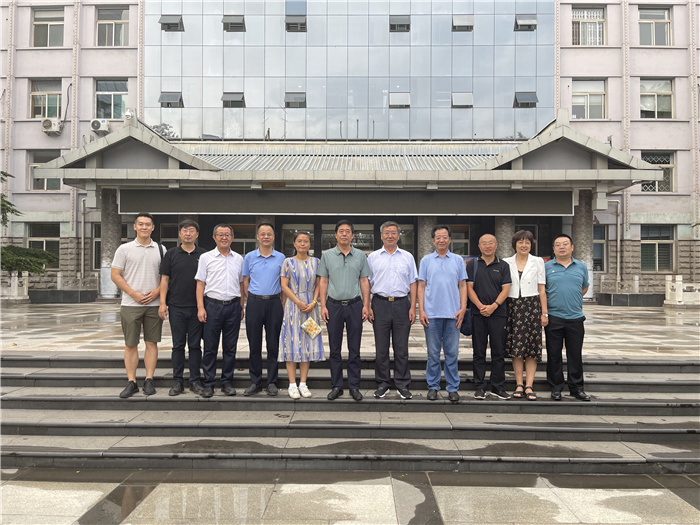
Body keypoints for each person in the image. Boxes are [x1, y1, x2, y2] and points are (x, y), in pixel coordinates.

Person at [111, 212, 165, 398]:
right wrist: (133, 293)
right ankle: (131, 381)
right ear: (135, 226)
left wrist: (157, 292)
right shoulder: (124, 249)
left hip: (154, 304)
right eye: (140, 224)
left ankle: (149, 379)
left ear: (153, 227)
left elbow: (166, 277)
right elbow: (115, 275)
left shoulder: (161, 249)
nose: (144, 227)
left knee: (152, 342)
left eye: (148, 224)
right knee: (130, 344)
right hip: (130, 304)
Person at [317, 219, 371, 402]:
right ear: (336, 235)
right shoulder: (327, 255)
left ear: (352, 235)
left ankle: (354, 386)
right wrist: (323, 305)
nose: (344, 234)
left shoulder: (360, 256)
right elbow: (323, 281)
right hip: (333, 306)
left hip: (355, 305)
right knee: (335, 348)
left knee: (354, 348)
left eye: (348, 231)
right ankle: (337, 386)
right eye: (341, 231)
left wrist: (366, 305)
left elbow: (364, 281)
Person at [367, 221, 418, 400]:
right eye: (387, 233)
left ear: (398, 235)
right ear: (381, 236)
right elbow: (366, 283)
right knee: (381, 348)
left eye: (393, 233)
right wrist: (367, 306)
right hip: (379, 304)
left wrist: (413, 307)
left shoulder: (407, 257)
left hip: (402, 304)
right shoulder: (373, 257)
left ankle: (402, 384)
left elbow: (413, 282)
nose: (390, 236)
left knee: (401, 348)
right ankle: (383, 383)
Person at [417, 225, 467, 402]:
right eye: (438, 237)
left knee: (452, 353)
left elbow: (463, 285)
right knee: (433, 354)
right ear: (433, 240)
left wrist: (463, 308)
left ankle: (453, 387)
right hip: (432, 313)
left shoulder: (458, 260)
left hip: (453, 314)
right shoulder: (426, 260)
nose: (441, 240)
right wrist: (421, 310)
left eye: (444, 237)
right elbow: (421, 286)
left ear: (449, 239)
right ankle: (433, 386)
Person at [195, 224, 245, 398]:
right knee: (210, 347)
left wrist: (241, 306)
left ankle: (226, 382)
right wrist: (200, 307)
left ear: (232, 237)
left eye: (227, 234)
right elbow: (200, 284)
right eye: (220, 234)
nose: (224, 237)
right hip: (212, 306)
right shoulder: (206, 258)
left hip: (233, 306)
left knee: (230, 347)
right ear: (214, 237)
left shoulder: (238, 259)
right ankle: (209, 383)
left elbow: (241, 284)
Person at [158, 219, 207, 396]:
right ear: (180, 234)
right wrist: (162, 303)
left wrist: (203, 307)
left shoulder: (204, 255)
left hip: (196, 308)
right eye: (185, 230)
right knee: (178, 345)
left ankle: (195, 380)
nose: (188, 233)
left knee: (195, 346)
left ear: (197, 234)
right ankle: (177, 381)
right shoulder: (171, 254)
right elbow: (164, 279)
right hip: (176, 306)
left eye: (191, 230)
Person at [503, 230, 548, 401]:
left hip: (532, 306)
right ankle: (519, 384)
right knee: (517, 347)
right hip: (512, 306)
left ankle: (529, 385)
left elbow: (542, 289)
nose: (524, 245)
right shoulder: (506, 262)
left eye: (527, 242)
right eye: (520, 242)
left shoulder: (538, 262)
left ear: (531, 245)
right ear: (514, 244)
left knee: (531, 347)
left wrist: (544, 313)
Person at [545, 233, 591, 401]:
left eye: (565, 244)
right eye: (558, 244)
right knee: (554, 354)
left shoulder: (581, 267)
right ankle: (556, 387)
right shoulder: (546, 267)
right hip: (553, 317)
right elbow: (542, 290)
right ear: (554, 249)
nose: (562, 247)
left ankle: (577, 388)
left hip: (575, 318)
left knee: (575, 355)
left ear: (572, 247)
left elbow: (584, 287)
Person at [279, 231, 325, 399]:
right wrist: (298, 302)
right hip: (293, 307)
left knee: (308, 344)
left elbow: (319, 284)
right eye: (299, 241)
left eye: (306, 241)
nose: (303, 244)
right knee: (291, 343)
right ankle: (292, 384)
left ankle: (303, 383)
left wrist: (313, 302)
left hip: (311, 308)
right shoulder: (288, 262)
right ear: (294, 243)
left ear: (309, 244)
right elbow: (284, 285)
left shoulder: (316, 262)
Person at [242, 223, 285, 396]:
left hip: (274, 303)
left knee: (273, 344)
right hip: (255, 303)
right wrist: (252, 297)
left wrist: (282, 304)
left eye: (269, 234)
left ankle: (272, 381)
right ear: (258, 237)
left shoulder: (281, 257)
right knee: (254, 344)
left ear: (273, 237)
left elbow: (284, 283)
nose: (266, 236)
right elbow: (245, 281)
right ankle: (255, 381)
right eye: (263, 234)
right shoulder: (249, 257)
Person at [466, 233, 512, 400]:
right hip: (478, 314)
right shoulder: (472, 265)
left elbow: (506, 290)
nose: (487, 246)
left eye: (491, 243)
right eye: (484, 243)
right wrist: (480, 306)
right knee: (478, 352)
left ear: (496, 245)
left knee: (498, 352)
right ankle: (479, 387)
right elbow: (469, 288)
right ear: (479, 246)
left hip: (498, 314)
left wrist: (493, 306)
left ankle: (498, 387)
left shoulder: (503, 265)